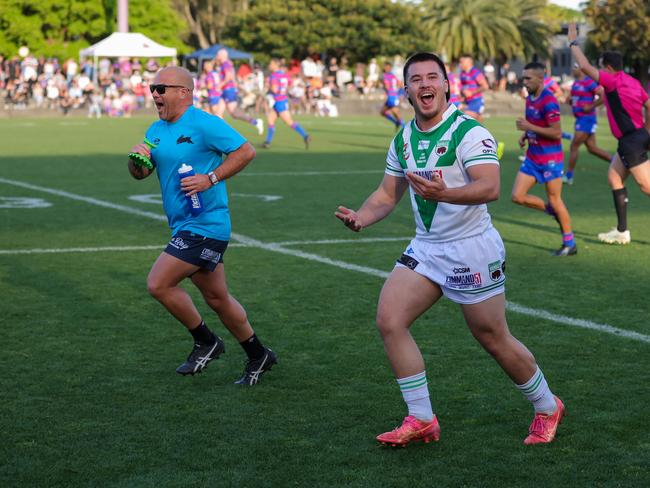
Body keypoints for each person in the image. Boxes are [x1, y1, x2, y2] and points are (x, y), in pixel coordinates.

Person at [335, 52, 564, 447]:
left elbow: (490, 186)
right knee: (390, 319)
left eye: (432, 77)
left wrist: (448, 193)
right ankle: (421, 417)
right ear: (406, 90)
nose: (424, 84)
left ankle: (547, 405)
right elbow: (388, 194)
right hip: (427, 248)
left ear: (445, 85)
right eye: (416, 79)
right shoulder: (404, 138)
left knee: (492, 336)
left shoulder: (468, 132)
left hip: (471, 248)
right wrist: (362, 217)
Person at [127, 66, 277, 385]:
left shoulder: (205, 123)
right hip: (183, 224)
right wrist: (136, 159)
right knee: (218, 298)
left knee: (159, 283)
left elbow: (245, 151)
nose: (154, 93)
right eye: (153, 88)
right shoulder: (155, 129)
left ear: (184, 92)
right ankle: (258, 354)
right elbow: (140, 174)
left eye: (161, 88)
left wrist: (210, 178)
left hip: (206, 223)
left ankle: (206, 341)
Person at [569, 23, 650, 245]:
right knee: (614, 177)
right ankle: (622, 231)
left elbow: (584, 66)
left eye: (601, 68)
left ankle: (622, 231)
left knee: (647, 186)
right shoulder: (630, 81)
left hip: (631, 142)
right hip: (637, 136)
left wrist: (573, 41)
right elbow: (648, 103)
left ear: (608, 68)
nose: (600, 72)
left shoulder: (612, 80)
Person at [512, 62, 577, 256]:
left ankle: (569, 243)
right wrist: (525, 135)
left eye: (528, 78)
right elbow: (533, 124)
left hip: (551, 160)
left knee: (556, 200)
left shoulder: (549, 100)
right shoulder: (530, 97)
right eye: (523, 78)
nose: (524, 82)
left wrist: (529, 128)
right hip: (533, 157)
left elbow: (556, 133)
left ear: (541, 79)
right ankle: (550, 211)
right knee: (517, 196)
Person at [564, 63, 611, 185]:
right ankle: (619, 163)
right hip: (580, 119)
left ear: (582, 69)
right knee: (592, 148)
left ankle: (569, 176)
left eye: (575, 67)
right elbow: (571, 99)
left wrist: (591, 106)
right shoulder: (575, 84)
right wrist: (570, 101)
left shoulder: (589, 82)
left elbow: (603, 96)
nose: (573, 69)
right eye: (573, 67)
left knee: (574, 146)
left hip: (587, 120)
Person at [262, 59, 311, 149]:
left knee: (289, 122)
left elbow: (275, 89)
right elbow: (289, 85)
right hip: (282, 100)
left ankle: (305, 136)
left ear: (275, 65)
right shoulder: (284, 74)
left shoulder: (274, 76)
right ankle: (267, 142)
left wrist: (268, 88)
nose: (269, 65)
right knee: (270, 120)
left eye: (271, 63)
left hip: (279, 101)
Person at [214, 49, 264, 135]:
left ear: (223, 55)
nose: (217, 56)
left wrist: (220, 85)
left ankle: (256, 122)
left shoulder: (225, 64)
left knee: (234, 114)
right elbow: (232, 77)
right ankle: (222, 133)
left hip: (228, 90)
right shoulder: (226, 64)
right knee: (218, 113)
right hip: (226, 91)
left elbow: (229, 77)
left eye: (218, 54)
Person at [459, 54, 489, 122]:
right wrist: (462, 95)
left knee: (466, 118)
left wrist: (471, 92)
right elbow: (463, 88)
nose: (460, 64)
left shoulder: (475, 72)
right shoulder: (462, 74)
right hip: (467, 102)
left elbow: (485, 86)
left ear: (468, 63)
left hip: (476, 101)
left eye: (462, 62)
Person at [380, 62, 404, 129]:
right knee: (383, 112)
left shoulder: (385, 75)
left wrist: (386, 90)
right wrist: (399, 93)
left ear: (388, 68)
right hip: (393, 96)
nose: (384, 68)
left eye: (385, 66)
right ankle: (396, 122)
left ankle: (405, 127)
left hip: (391, 96)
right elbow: (400, 84)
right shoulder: (393, 75)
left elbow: (387, 86)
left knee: (395, 112)